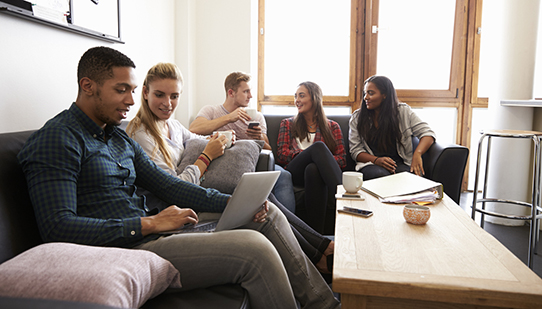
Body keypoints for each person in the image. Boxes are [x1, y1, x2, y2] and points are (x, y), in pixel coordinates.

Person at [17, 46, 340, 309]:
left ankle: (323, 303)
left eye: (132, 90)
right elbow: (57, 228)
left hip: (152, 230)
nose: (131, 101)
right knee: (255, 249)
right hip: (126, 248)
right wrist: (149, 224)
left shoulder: (116, 138)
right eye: (121, 91)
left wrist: (237, 204)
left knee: (263, 214)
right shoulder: (57, 139)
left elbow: (169, 185)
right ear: (87, 86)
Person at [127, 62, 334, 274]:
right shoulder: (142, 136)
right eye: (160, 95)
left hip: (195, 195)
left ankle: (322, 248)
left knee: (265, 200)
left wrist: (222, 140)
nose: (168, 103)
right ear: (145, 92)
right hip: (177, 210)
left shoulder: (173, 125)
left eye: (174, 96)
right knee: (263, 209)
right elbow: (173, 189)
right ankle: (319, 255)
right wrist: (207, 156)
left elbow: (199, 138)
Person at [189, 72, 296, 212]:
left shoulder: (257, 116)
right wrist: (229, 118)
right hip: (221, 164)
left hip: (254, 163)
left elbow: (269, 150)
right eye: (246, 91)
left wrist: (259, 137)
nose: (250, 96)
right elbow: (193, 129)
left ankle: (285, 224)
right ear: (231, 93)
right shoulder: (211, 110)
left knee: (283, 175)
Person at [277, 81, 346, 234]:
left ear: (314, 98)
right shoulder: (287, 124)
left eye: (302, 96)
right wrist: (309, 155)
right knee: (319, 148)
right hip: (295, 171)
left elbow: (342, 159)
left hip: (315, 174)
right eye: (295, 96)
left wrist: (319, 161)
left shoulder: (332, 127)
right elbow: (282, 154)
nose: (297, 100)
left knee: (313, 169)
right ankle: (345, 196)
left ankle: (318, 238)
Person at [349, 75, 436, 180]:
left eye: (371, 93)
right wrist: (377, 160)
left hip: (400, 164)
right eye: (365, 93)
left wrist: (417, 154)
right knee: (380, 176)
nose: (365, 97)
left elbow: (427, 134)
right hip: (371, 164)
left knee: (410, 178)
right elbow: (355, 151)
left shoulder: (403, 112)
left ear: (384, 94)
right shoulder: (357, 118)